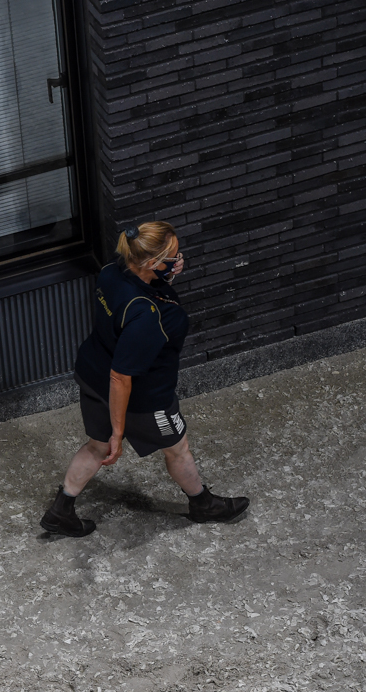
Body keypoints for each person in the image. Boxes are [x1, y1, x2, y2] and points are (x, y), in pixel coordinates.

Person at [40, 221, 249, 537]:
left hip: (90, 374)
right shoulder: (148, 315)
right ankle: (203, 505)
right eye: (173, 256)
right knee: (177, 447)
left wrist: (169, 270)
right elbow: (121, 377)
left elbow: (141, 287)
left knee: (96, 446)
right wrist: (119, 432)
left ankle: (60, 511)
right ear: (151, 263)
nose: (179, 260)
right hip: (142, 398)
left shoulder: (113, 271)